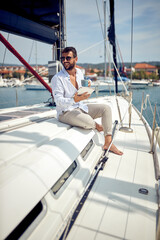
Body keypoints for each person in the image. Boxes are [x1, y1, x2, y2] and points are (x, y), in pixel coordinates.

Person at [51, 47, 123, 155]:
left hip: (81, 106)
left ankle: (108, 142)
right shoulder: (57, 78)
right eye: (63, 58)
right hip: (65, 112)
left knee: (106, 108)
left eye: (68, 58)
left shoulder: (79, 72)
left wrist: (88, 84)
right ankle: (97, 126)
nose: (65, 60)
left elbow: (82, 89)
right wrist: (74, 99)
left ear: (76, 59)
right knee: (89, 122)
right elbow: (58, 101)